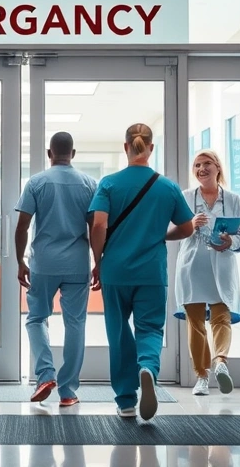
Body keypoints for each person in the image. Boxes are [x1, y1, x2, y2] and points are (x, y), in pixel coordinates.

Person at [89, 123, 194, 420]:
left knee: (119, 332)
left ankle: (125, 400)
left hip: (116, 271)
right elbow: (186, 227)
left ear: (126, 148)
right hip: (151, 271)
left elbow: (98, 225)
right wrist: (162, 236)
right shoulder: (167, 186)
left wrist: (98, 260)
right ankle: (147, 367)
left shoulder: (109, 183)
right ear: (151, 148)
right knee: (149, 328)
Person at [14, 132, 98, 406]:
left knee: (36, 318)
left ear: (49, 154)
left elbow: (22, 226)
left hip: (44, 264)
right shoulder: (89, 184)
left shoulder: (37, 182)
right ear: (73, 154)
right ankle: (68, 391)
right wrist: (99, 261)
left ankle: (45, 374)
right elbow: (95, 227)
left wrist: (20, 261)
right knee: (75, 324)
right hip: (77, 264)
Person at [168, 150, 240, 396]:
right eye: (197, 165)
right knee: (195, 323)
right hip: (192, 265)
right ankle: (202, 376)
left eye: (206, 164)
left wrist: (230, 242)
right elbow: (171, 229)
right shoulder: (185, 197)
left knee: (221, 316)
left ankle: (220, 363)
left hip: (221, 265)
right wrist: (190, 225)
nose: (201, 169)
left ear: (218, 168)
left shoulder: (233, 199)